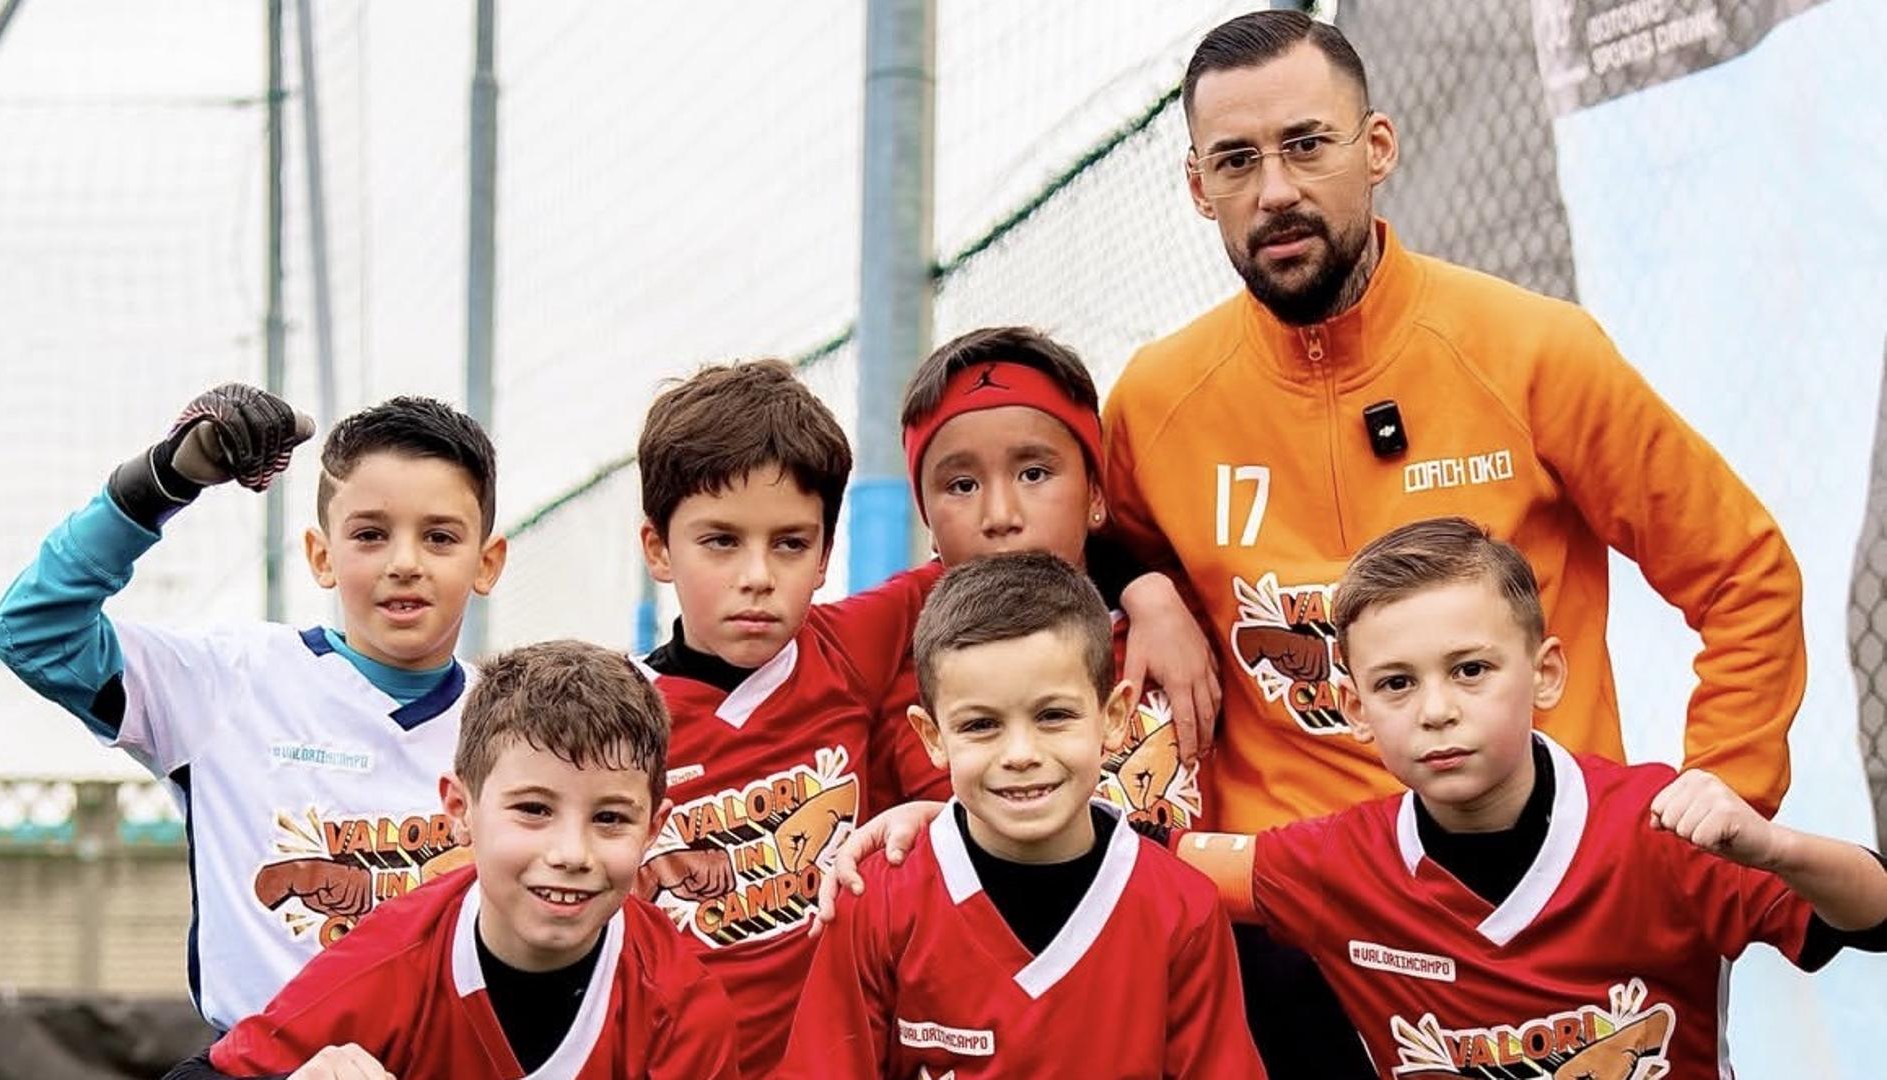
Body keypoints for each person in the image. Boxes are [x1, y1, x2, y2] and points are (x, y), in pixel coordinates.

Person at [1099, 10, 1805, 1073]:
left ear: (1377, 146)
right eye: (1236, 161)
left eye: (1306, 144)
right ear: (1198, 188)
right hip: (1291, 934)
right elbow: (1092, 553)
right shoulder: (1155, 401)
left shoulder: (1532, 350)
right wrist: (1144, 584)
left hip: (1549, 912)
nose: (1274, 190)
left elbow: (1743, 574)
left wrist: (1720, 816)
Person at [824, 520, 1887, 1078]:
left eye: (1471, 670)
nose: (1438, 709)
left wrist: (1774, 847)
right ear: (1354, 708)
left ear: (1545, 674)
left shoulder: (1658, 826)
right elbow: (1120, 865)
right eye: (1397, 685)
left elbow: (1873, 915)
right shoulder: (1328, 861)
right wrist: (954, 820)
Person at [0, 387, 507, 1029]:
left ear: (487, 562)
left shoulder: (516, 722)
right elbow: (34, 632)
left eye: (439, 537)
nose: (405, 562)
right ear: (321, 556)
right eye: (370, 535)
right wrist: (161, 480)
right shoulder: (230, 682)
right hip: (262, 1064)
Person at [778, 552, 1259, 1079]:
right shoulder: (878, 904)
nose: (1021, 754)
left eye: (1053, 716)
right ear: (932, 737)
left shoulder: (1184, 910)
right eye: (981, 725)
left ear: (1114, 717)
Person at [167, 640, 739, 1080]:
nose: (571, 853)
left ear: (653, 829)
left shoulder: (677, 1004)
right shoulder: (391, 961)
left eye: (610, 818)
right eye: (534, 809)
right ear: (460, 810)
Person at [632, 359, 937, 1077]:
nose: (758, 577)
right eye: (721, 541)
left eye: (791, 544)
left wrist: (1145, 590)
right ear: (658, 549)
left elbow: (995, 555)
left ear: (826, 554)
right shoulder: (616, 718)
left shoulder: (850, 645)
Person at [872, 325, 1215, 828]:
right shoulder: (900, 680)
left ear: (1095, 493)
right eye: (962, 485)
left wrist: (1152, 590)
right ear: (927, 519)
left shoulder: (1186, 618)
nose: (1000, 515)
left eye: (1033, 474)